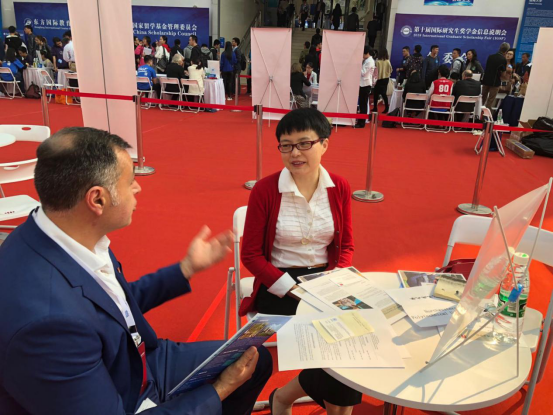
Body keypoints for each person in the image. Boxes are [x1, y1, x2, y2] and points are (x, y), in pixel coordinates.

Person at [0, 126, 272, 414]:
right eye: (130, 181)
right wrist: (221, 389)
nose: (138, 188)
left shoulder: (65, 232)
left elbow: (111, 306)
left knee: (255, 358)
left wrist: (186, 268)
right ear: (97, 199)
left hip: (137, 363)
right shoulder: (48, 324)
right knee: (235, 377)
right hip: (119, 389)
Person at [240, 107, 359, 414]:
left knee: (354, 340)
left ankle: (283, 397)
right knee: (333, 346)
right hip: (278, 283)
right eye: (286, 145)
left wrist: (334, 279)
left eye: (305, 143)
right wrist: (292, 288)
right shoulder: (265, 190)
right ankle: (290, 400)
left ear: (324, 144)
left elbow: (345, 245)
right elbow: (251, 255)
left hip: (325, 280)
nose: (295, 153)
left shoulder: (339, 187)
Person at [482, 42, 509, 109]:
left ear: (500, 48)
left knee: (482, 98)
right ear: (506, 51)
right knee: (490, 100)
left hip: (486, 80)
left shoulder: (490, 57)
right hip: (495, 82)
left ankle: (478, 112)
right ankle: (486, 114)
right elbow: (503, 74)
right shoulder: (503, 60)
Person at [356, 46, 375, 128]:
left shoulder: (369, 61)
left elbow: (363, 73)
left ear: (367, 53)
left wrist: (359, 64)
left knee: (363, 104)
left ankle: (361, 123)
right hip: (363, 84)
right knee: (362, 104)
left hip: (365, 84)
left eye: (363, 53)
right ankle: (360, 121)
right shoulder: (367, 60)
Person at [373, 48, 392, 114]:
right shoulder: (388, 61)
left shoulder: (377, 61)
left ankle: (375, 108)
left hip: (379, 79)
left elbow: (375, 71)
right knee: (384, 94)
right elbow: (390, 70)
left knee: (376, 93)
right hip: (386, 79)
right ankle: (386, 108)